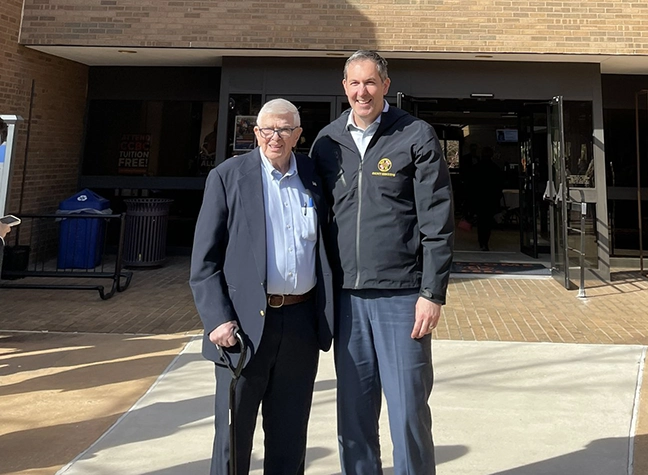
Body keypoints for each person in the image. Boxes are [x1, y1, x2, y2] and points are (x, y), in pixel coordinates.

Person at [310, 50, 454, 475]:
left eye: (370, 82)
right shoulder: (327, 141)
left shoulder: (415, 135)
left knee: (408, 410)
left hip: (403, 298)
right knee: (353, 415)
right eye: (354, 83)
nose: (362, 91)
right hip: (347, 299)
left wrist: (432, 292)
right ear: (344, 88)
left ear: (386, 85)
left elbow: (438, 220)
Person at [190, 98, 334, 475]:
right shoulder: (227, 176)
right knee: (233, 437)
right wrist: (217, 319)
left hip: (301, 324)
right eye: (267, 129)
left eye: (285, 129)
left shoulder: (312, 176)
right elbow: (204, 262)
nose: (276, 137)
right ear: (255, 133)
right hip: (243, 329)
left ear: (298, 135)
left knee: (289, 435)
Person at [469, 146, 504, 251]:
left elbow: (471, 184)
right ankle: (485, 242)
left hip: (480, 198)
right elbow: (499, 185)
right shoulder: (495, 168)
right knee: (488, 222)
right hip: (490, 198)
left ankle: (481, 241)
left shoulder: (476, 168)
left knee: (481, 221)